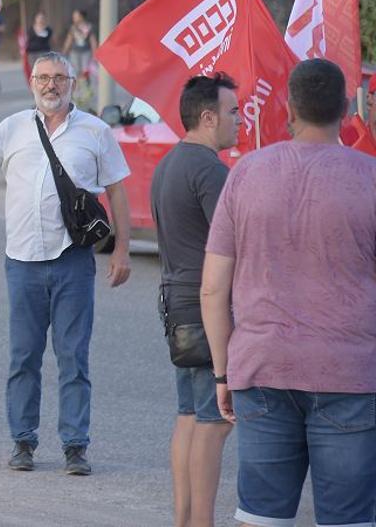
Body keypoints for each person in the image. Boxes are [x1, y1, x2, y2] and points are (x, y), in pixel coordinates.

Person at [202, 58, 376, 527]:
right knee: (349, 520)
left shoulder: (245, 174)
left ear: (289, 108)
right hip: (352, 374)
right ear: (344, 108)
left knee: (261, 517)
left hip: (261, 370)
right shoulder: (370, 177)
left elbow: (213, 288)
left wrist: (223, 374)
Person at [0, 51, 131, 475]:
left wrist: (122, 249)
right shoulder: (12, 127)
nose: (51, 85)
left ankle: (75, 446)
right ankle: (23, 443)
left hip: (73, 262)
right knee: (24, 358)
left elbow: (118, 193)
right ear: (31, 81)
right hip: (22, 262)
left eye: (59, 78)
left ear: (73, 82)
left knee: (74, 357)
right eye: (43, 78)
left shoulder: (94, 131)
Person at [151, 74, 239, 527]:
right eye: (233, 112)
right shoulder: (210, 170)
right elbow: (234, 245)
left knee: (189, 416)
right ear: (208, 117)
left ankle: (185, 519)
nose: (239, 121)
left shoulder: (169, 164)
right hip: (206, 310)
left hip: (175, 306)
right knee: (215, 421)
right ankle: (200, 522)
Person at [61, 10, 97, 80]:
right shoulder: (73, 28)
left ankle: (86, 87)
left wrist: (95, 54)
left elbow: (93, 41)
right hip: (75, 52)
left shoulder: (89, 27)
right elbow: (69, 40)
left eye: (75, 16)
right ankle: (77, 87)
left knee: (85, 71)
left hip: (86, 52)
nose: (73, 18)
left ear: (81, 17)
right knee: (76, 70)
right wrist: (64, 52)